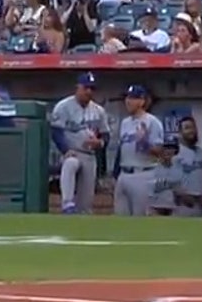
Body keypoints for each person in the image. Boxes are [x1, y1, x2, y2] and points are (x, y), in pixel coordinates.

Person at [49, 73, 111, 214]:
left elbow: (106, 135)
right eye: (86, 88)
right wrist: (65, 150)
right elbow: (56, 132)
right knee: (70, 163)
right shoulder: (64, 106)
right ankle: (67, 203)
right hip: (73, 151)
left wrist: (99, 143)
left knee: (86, 204)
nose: (89, 91)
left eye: (92, 89)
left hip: (90, 155)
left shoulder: (98, 111)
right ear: (78, 87)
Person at [112, 85, 167, 216]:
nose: (128, 101)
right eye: (127, 97)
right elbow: (121, 149)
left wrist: (145, 142)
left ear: (142, 101)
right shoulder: (125, 122)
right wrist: (115, 175)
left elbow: (159, 151)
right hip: (124, 174)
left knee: (140, 218)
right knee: (120, 218)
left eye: (132, 98)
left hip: (143, 174)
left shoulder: (152, 122)